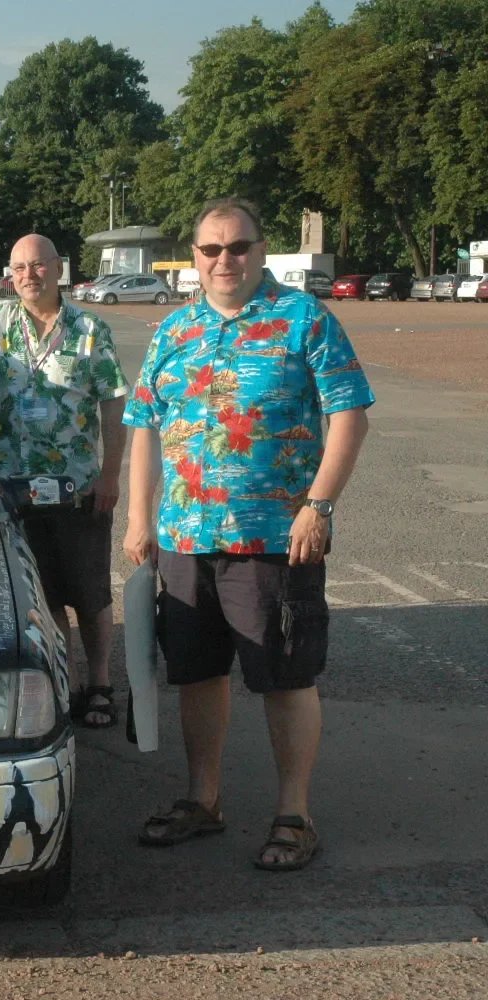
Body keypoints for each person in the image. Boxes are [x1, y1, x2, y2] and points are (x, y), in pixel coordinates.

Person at [122, 196, 373, 871]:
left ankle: (294, 814)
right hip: (184, 539)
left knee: (284, 675)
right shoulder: (174, 332)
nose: (224, 260)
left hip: (272, 538)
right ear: (194, 258)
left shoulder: (304, 320)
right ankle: (203, 800)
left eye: (238, 247)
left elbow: (349, 415)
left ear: (262, 251)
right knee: (198, 675)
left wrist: (318, 505)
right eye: (211, 249)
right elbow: (144, 425)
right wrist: (140, 520)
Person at [0, 233, 130, 729]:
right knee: (45, 593)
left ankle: (99, 683)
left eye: (37, 266)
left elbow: (115, 403)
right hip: (15, 487)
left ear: (58, 269)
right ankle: (68, 681)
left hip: (78, 485)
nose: (28, 276)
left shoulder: (89, 330)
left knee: (92, 592)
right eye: (18, 268)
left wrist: (110, 474)